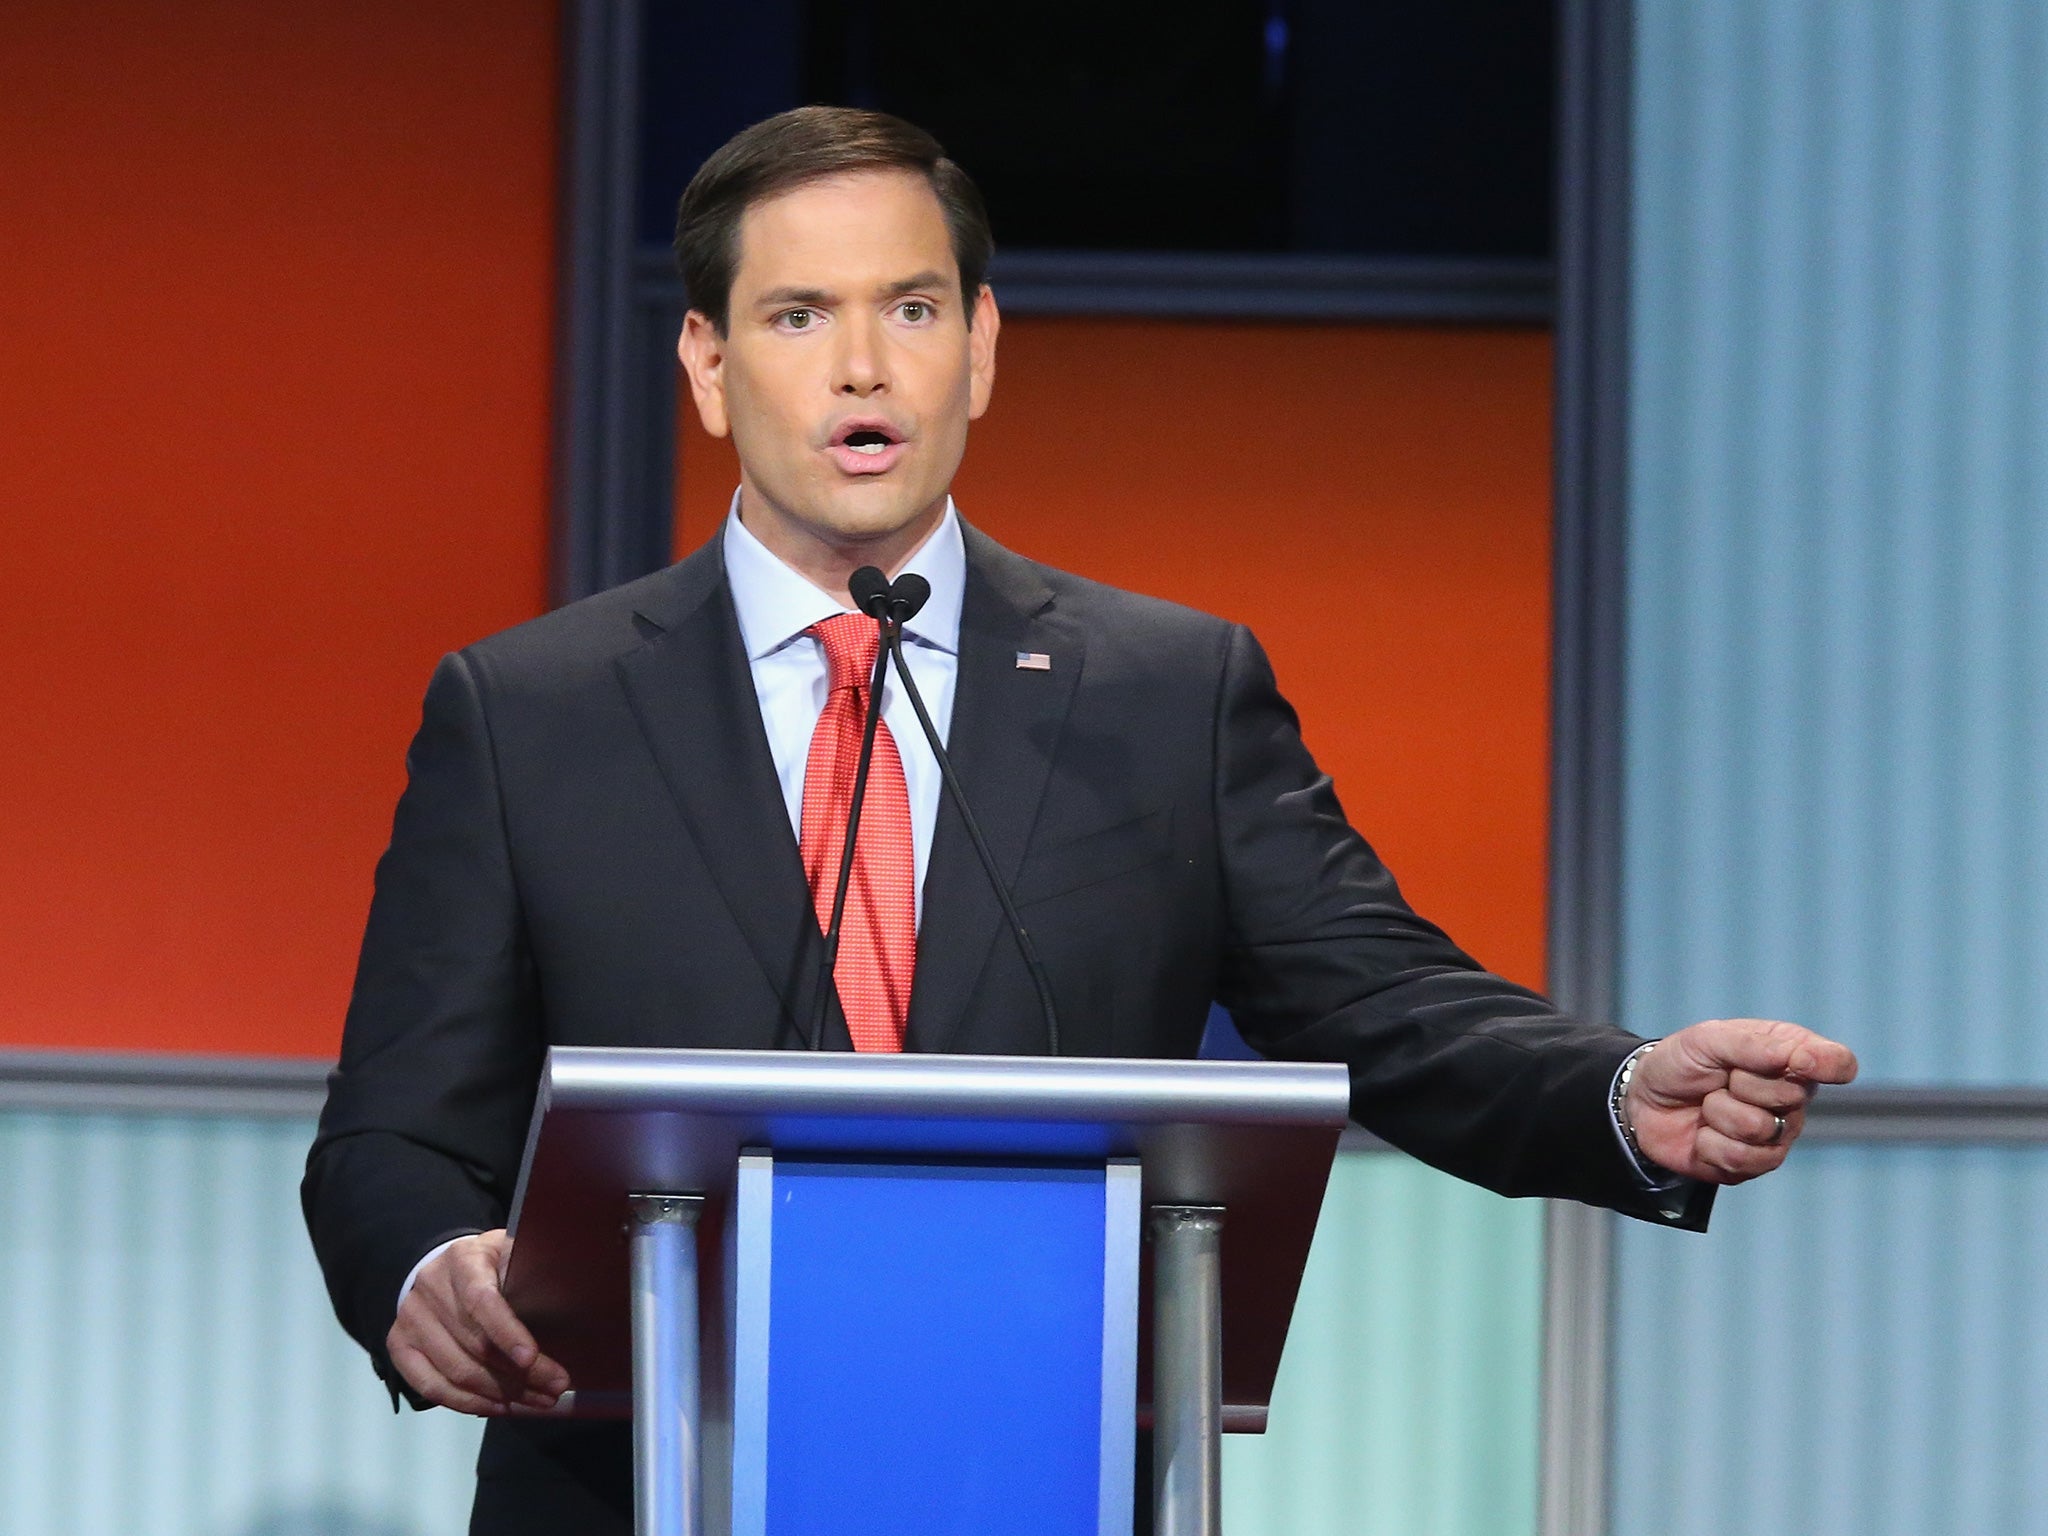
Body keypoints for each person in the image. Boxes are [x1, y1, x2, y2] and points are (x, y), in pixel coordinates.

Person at [302, 106, 1857, 1532]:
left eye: (911, 309)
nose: (864, 367)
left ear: (980, 349)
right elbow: (388, 1135)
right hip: (632, 1489)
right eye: (799, 316)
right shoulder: (531, 713)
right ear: (708, 367)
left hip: (1041, 1477)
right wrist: (434, 1271)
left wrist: (1622, 1090)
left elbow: (1386, 1003)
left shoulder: (1166, 693)